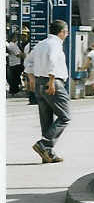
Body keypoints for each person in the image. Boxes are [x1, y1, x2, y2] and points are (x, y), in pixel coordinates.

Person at [30, 20, 71, 163]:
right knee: (65, 116)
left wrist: (31, 79)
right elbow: (53, 62)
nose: (67, 34)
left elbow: (28, 62)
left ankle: (47, 154)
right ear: (61, 32)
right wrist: (52, 80)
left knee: (46, 119)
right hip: (52, 82)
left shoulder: (40, 44)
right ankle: (45, 143)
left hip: (39, 82)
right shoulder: (55, 44)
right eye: (66, 32)